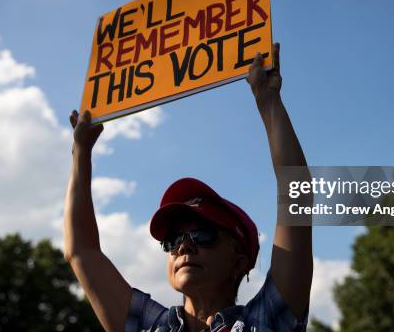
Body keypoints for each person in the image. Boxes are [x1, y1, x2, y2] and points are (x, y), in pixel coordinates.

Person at [64, 42, 313, 331]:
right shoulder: (150, 327)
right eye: (172, 240)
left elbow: (296, 190)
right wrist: (80, 152)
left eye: (203, 234)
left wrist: (269, 103)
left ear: (240, 261)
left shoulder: (266, 319)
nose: (183, 245)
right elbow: (81, 252)